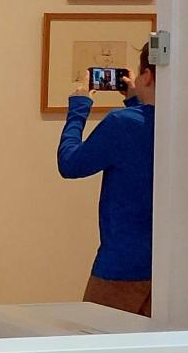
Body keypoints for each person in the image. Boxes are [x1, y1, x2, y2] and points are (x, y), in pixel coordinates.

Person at [57, 45, 156, 316]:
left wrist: (78, 109)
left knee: (98, 335)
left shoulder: (121, 123)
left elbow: (70, 164)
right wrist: (136, 101)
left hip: (121, 264)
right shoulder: (183, 125)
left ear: (147, 76)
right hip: (168, 268)